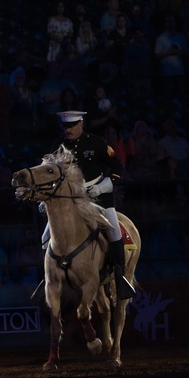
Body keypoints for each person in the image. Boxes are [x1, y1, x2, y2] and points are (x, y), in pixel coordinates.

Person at [31, 110, 135, 301]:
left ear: (81, 124)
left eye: (71, 126)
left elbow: (118, 168)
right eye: (65, 126)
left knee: (114, 232)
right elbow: (48, 174)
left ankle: (120, 278)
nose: (67, 130)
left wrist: (103, 186)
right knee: (45, 237)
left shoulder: (96, 143)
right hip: (68, 201)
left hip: (97, 197)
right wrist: (45, 197)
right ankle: (47, 279)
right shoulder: (58, 146)